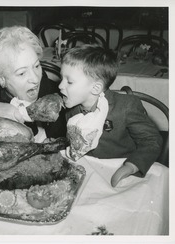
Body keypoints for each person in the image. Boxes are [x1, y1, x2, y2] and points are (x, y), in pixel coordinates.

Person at [58, 44, 163, 187]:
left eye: (69, 81)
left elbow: (151, 140)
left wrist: (131, 166)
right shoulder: (72, 109)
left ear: (95, 88)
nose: (60, 86)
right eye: (61, 78)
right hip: (87, 170)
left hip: (121, 169)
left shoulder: (126, 106)